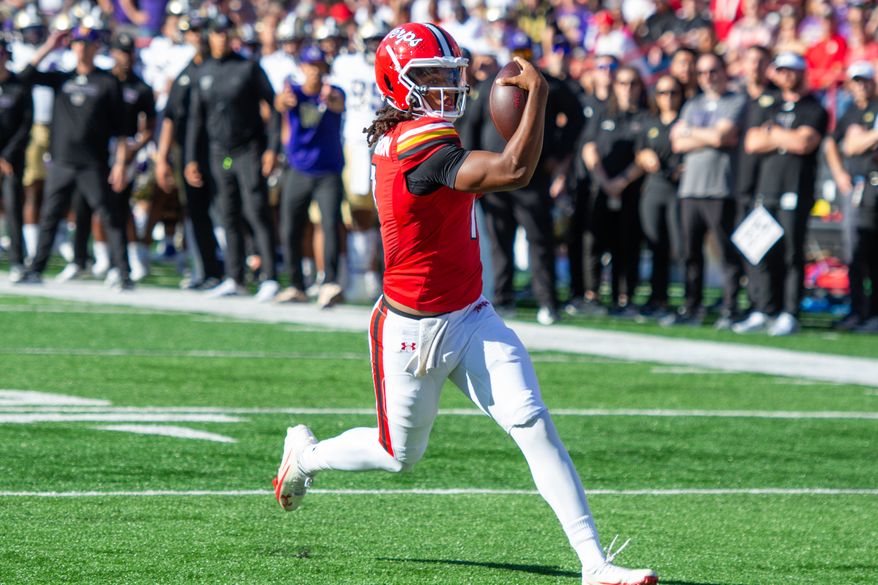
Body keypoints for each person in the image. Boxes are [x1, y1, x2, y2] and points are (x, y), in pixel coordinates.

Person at [272, 23, 657, 585]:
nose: (445, 87)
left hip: (471, 315)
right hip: (409, 329)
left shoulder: (414, 131)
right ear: (397, 83)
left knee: (532, 423)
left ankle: (594, 563)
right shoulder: (415, 146)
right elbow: (514, 170)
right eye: (429, 77)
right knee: (397, 456)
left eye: (449, 76)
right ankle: (305, 458)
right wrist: (540, 96)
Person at [480, 31, 585, 325]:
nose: (520, 57)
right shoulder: (492, 84)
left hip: (531, 174)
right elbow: (471, 125)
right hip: (495, 176)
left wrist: (557, 154)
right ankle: (502, 299)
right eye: (516, 50)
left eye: (526, 51)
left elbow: (577, 118)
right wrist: (477, 165)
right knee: (501, 240)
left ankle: (547, 301)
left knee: (539, 239)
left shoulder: (547, 84)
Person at [18, 25, 132, 289]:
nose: (81, 48)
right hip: (62, 161)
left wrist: (120, 164)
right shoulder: (62, 79)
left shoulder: (107, 81)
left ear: (95, 48)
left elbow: (123, 131)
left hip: (93, 163)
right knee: (50, 215)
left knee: (108, 215)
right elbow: (25, 76)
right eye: (77, 43)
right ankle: (36, 268)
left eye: (86, 44)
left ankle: (122, 271)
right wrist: (49, 46)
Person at [184, 14, 281, 301]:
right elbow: (195, 119)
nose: (222, 38)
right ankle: (234, 277)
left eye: (226, 33)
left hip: (248, 150)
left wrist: (272, 148)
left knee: (256, 211)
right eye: (216, 33)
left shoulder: (248, 67)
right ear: (209, 37)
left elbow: (273, 107)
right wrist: (190, 158)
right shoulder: (203, 71)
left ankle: (270, 277)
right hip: (219, 153)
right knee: (227, 213)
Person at [736, 52, 828, 336]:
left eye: (792, 70)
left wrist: (773, 135)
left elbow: (804, 143)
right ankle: (764, 308)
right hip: (767, 186)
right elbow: (752, 141)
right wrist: (783, 137)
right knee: (761, 250)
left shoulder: (814, 108)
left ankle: (790, 312)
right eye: (782, 70)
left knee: (790, 251)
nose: (786, 75)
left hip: (795, 189)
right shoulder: (770, 103)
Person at [665, 53, 746, 328]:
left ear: (724, 71)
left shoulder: (735, 101)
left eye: (713, 70)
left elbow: (721, 136)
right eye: (701, 73)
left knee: (726, 253)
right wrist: (707, 136)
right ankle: (692, 306)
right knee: (690, 253)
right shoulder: (693, 104)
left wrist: (692, 133)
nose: (707, 77)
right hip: (691, 189)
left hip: (721, 188)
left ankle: (731, 307)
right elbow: (677, 143)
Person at [273, 45, 346, 308]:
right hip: (298, 168)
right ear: (302, 68)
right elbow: (279, 102)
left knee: (329, 225)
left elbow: (339, 104)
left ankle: (330, 282)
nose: (314, 71)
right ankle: (295, 284)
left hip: (328, 170)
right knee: (289, 226)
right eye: (309, 65)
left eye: (318, 66)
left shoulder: (334, 93)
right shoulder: (294, 92)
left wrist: (330, 100)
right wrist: (282, 100)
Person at [155, 12, 224, 290]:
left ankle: (231, 270)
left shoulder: (223, 68)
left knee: (226, 211)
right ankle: (204, 269)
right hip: (189, 151)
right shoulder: (186, 72)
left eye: (201, 31)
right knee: (195, 211)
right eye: (192, 32)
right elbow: (171, 116)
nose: (197, 37)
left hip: (221, 148)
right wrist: (161, 158)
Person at [582, 65, 647, 314]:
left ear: (640, 87)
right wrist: (606, 182)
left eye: (633, 83)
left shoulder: (644, 116)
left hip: (630, 191)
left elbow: (644, 156)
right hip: (602, 189)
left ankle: (625, 297)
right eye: (622, 83)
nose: (627, 88)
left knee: (627, 244)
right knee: (595, 243)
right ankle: (592, 295)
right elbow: (589, 149)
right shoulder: (603, 114)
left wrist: (620, 182)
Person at [827, 62, 878, 333]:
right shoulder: (849, 112)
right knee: (856, 251)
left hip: (875, 183)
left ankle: (873, 313)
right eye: (856, 82)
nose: (861, 86)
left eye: (865, 81)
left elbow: (856, 143)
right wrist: (839, 174)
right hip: (859, 188)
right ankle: (859, 310)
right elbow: (842, 144)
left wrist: (864, 138)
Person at [635, 74, 684, 319]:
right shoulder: (650, 122)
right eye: (663, 92)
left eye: (673, 92)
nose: (668, 98)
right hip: (654, 188)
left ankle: (688, 299)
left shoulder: (685, 121)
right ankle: (658, 298)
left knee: (680, 247)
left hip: (677, 190)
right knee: (656, 246)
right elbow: (639, 152)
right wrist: (644, 157)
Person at [0, 37, 34, 283]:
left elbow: (25, 125)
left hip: (11, 160)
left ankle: (17, 261)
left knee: (14, 209)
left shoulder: (18, 86)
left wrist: (7, 155)